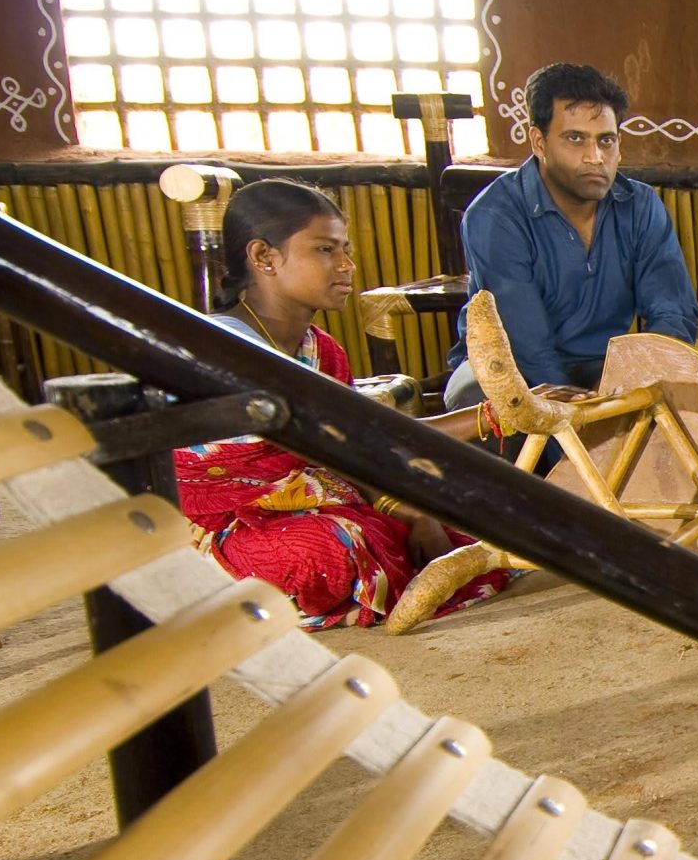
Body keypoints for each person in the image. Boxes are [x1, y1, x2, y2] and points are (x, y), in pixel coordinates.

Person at [177, 179, 513, 630]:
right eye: (324, 250)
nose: (346, 265)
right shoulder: (228, 346)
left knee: (460, 524)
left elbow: (350, 450)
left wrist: (404, 508)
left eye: (345, 249)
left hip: (317, 494)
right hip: (224, 520)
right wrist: (491, 412)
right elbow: (364, 434)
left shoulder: (322, 349)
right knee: (326, 553)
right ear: (263, 257)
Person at [440, 62, 698, 416]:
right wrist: (579, 412)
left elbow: (672, 312)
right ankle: (582, 464)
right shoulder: (496, 214)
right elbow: (525, 344)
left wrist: (627, 377)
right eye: (575, 139)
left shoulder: (640, 206)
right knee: (484, 406)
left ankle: (603, 456)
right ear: (539, 142)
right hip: (511, 370)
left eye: (606, 140)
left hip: (605, 369)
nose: (595, 157)